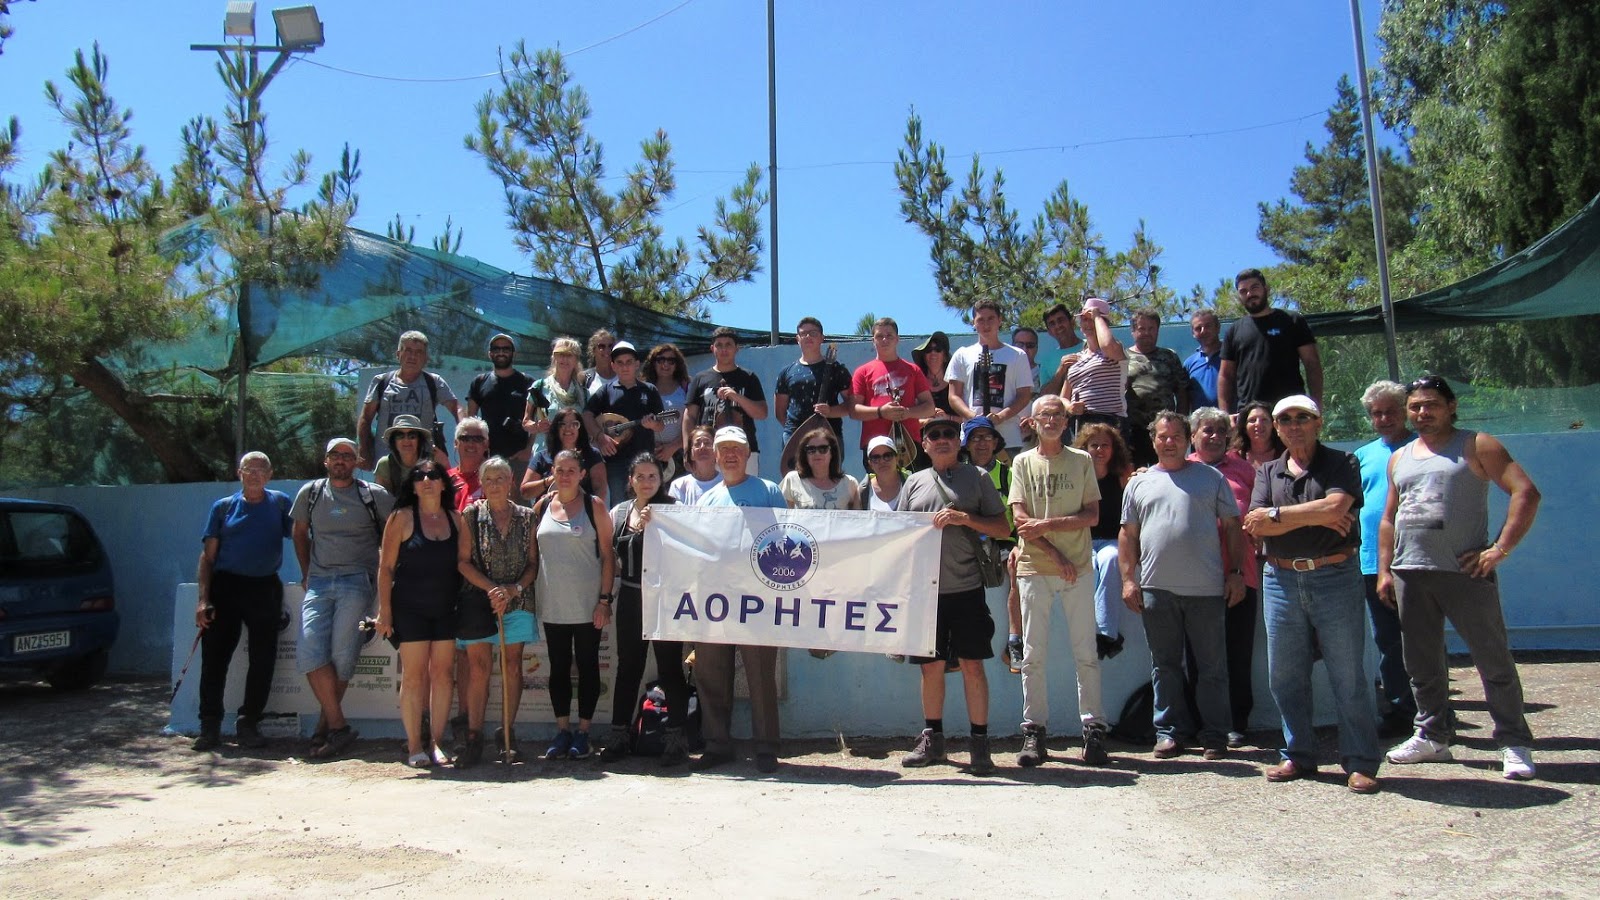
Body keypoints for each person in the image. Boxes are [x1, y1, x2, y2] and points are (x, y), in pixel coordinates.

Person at [1379, 375, 1541, 781]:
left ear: (1451, 406)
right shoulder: (1400, 457)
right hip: (1410, 572)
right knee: (1421, 663)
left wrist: (1498, 550)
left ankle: (1513, 741)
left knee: (1492, 659)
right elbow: (1388, 518)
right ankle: (1432, 736)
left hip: (1464, 573)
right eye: (1415, 406)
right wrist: (1385, 570)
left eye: (1431, 404)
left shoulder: (1476, 444)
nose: (1422, 412)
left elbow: (1525, 492)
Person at [1243, 395, 1380, 794]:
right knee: (1285, 675)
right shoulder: (1268, 471)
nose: (1293, 425)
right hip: (1281, 580)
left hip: (1334, 575)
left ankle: (1359, 761)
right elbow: (1254, 526)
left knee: (1348, 674)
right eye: (1284, 419)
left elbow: (1337, 507)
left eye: (1302, 418)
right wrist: (1314, 514)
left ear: (1318, 422)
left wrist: (1278, 516)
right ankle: (1298, 754)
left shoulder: (1342, 462)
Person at [1119, 412, 1245, 760]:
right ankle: (1169, 732)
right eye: (1162, 436)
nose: (1169, 441)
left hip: (1206, 590)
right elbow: (1127, 534)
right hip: (1157, 589)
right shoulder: (1138, 483)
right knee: (1165, 665)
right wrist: (1129, 580)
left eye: (1176, 435)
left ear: (1187, 439)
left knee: (1212, 667)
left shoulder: (1211, 478)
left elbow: (1233, 527)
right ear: (1154, 440)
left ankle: (1216, 735)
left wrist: (1235, 572)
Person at [895, 418, 1010, 775]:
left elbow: (1003, 527)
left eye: (948, 434)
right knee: (930, 670)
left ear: (957, 442)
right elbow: (898, 534)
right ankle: (934, 740)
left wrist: (965, 519)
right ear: (924, 444)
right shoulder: (913, 482)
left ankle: (980, 744)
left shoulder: (977, 478)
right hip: (925, 593)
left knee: (973, 666)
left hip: (966, 589)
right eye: (934, 435)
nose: (942, 440)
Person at [1008, 393, 1106, 767]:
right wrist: (1055, 553)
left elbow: (1092, 515)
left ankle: (1094, 730)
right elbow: (1020, 522)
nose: (1051, 419)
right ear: (1032, 422)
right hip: (1037, 569)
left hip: (1078, 570)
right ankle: (1034, 732)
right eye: (1044, 414)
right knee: (1033, 654)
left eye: (1058, 414)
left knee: (1086, 654)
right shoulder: (1022, 462)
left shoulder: (1081, 461)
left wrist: (1047, 525)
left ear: (1067, 422)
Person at [291, 438, 393, 760]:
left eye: (347, 456)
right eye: (335, 455)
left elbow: (394, 533)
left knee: (342, 656)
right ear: (325, 461)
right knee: (309, 652)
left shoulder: (373, 496)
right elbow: (299, 533)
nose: (340, 461)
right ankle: (338, 726)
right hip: (319, 583)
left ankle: (327, 729)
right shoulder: (310, 493)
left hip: (357, 581)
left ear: (357, 462)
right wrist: (306, 572)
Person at [694, 426, 787, 773]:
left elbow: (786, 540)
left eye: (737, 448)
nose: (730, 454)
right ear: (715, 457)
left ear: (748, 455)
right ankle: (717, 744)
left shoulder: (768, 491)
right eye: (724, 449)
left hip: (758, 597)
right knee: (711, 672)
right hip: (715, 599)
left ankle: (766, 746)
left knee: (761, 673)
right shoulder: (705, 500)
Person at [192, 451, 293, 751]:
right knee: (214, 659)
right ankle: (209, 727)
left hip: (264, 587)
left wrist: (311, 572)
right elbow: (207, 557)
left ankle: (249, 723)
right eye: (249, 469)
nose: (255, 474)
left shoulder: (280, 503)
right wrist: (203, 600)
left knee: (263, 658)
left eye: (261, 469)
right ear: (239, 473)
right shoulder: (223, 508)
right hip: (226, 587)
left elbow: (301, 535)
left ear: (270, 474)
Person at [600, 453, 693, 767]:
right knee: (629, 668)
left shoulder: (674, 510)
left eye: (652, 476)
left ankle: (676, 741)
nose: (646, 482)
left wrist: (660, 528)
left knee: (669, 669)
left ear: (661, 478)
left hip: (664, 599)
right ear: (630, 480)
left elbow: (687, 554)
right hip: (630, 596)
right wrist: (605, 600)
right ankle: (618, 737)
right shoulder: (619, 512)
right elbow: (610, 558)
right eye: (639, 476)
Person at [375, 459, 463, 769]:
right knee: (413, 678)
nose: (426, 480)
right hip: (409, 609)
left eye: (433, 475)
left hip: (446, 609)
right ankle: (414, 745)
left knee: (442, 676)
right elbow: (385, 568)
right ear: (412, 485)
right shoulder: (401, 517)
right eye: (420, 476)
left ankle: (437, 741)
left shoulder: (456, 519)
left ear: (443, 483)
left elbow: (464, 565)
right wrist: (385, 612)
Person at [531, 449, 616, 761]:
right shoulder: (541, 507)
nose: (564, 475)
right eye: (559, 469)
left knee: (589, 667)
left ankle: (583, 732)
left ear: (582, 474)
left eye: (571, 470)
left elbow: (609, 556)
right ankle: (563, 730)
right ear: (552, 472)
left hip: (587, 607)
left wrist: (604, 601)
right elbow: (531, 557)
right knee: (558, 669)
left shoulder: (594, 507)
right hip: (553, 606)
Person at [453, 456, 537, 768]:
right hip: (479, 600)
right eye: (489, 480)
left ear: (511, 481)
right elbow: (463, 562)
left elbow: (532, 564)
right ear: (482, 484)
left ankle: (506, 735)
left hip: (518, 600)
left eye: (501, 478)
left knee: (513, 666)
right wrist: (492, 589)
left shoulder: (528, 517)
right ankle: (474, 737)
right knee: (478, 668)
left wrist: (513, 589)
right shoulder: (471, 514)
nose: (495, 484)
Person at [1187, 408, 1261, 748]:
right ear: (1193, 435)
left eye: (1220, 430)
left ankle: (1235, 720)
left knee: (1235, 651)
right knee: (1199, 654)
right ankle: (1202, 722)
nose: (1215, 436)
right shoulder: (1179, 468)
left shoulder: (1245, 471)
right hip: (1192, 579)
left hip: (1239, 574)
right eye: (1207, 430)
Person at [1353, 380, 1419, 738]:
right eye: (1376, 413)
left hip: (1418, 559)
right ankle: (1398, 710)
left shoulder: (1423, 448)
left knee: (1422, 638)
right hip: (1371, 563)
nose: (1383, 419)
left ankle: (1434, 713)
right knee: (1387, 640)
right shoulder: (1364, 456)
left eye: (1390, 411)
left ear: (1405, 410)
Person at [1217, 269, 1323, 414]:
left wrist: (1316, 404)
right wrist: (1225, 415)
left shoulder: (1292, 320)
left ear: (1266, 289)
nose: (1250, 294)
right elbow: (1225, 375)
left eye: (1254, 287)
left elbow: (1312, 363)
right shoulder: (1234, 331)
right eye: (1243, 291)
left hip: (1290, 411)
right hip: (1250, 415)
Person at [963, 416, 1022, 674]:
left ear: (996, 442)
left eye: (987, 437)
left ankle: (1015, 643)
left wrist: (1021, 544)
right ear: (966, 443)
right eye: (975, 437)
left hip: (1003, 542)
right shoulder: (957, 473)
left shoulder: (1009, 475)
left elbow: (1020, 515)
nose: (982, 443)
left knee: (1020, 566)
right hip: (966, 545)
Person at [1072, 422, 1134, 662]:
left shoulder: (1122, 475)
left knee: (1110, 561)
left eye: (1105, 445)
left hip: (1111, 540)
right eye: (1093, 445)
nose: (1099, 450)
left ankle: (1105, 633)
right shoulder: (1076, 476)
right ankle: (1096, 633)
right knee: (1089, 568)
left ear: (1114, 448)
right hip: (1083, 540)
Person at [358, 330, 459, 470]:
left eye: (419, 352)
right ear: (398, 354)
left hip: (423, 463)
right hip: (387, 462)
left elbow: (457, 408)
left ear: (426, 358)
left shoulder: (434, 382)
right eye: (408, 350)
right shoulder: (382, 382)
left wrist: (466, 433)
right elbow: (365, 418)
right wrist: (364, 450)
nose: (413, 356)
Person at [583, 340, 665, 505]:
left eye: (629, 362)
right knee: (620, 504)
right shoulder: (606, 390)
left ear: (637, 364)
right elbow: (586, 414)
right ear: (613, 366)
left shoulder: (649, 390)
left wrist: (653, 425)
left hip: (645, 459)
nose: (625, 366)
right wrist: (600, 437)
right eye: (620, 363)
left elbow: (661, 423)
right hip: (616, 461)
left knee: (648, 502)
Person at [947, 300, 1033, 455]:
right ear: (973, 323)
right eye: (980, 320)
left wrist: (1000, 417)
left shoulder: (1017, 355)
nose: (986, 324)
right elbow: (954, 396)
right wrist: (974, 418)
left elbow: (1024, 395)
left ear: (1000, 321)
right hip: (972, 437)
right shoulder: (962, 355)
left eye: (991, 319)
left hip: (1008, 438)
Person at [851, 317, 936, 470]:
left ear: (897, 339)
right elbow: (853, 411)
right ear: (873, 340)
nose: (884, 339)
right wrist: (881, 412)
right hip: (875, 445)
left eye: (889, 335)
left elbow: (929, 407)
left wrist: (907, 413)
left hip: (909, 446)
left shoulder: (913, 370)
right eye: (879, 336)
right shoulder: (862, 372)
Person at [684, 327, 768, 474]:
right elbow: (689, 416)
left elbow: (762, 413)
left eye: (728, 344)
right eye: (719, 345)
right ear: (712, 348)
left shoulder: (749, 377)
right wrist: (688, 448)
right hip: (709, 451)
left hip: (744, 449)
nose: (724, 349)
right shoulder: (700, 378)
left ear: (737, 348)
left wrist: (736, 397)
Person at [1123, 308, 1187, 467]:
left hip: (1166, 431)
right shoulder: (1122, 357)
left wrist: (1182, 424)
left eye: (1151, 328)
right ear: (1133, 331)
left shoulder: (1170, 356)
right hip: (1134, 431)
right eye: (1141, 328)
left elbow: (1182, 392)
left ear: (1158, 330)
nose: (1146, 333)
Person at [773, 317, 852, 447]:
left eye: (813, 333)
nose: (808, 336)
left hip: (829, 436)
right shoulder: (786, 372)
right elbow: (780, 412)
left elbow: (851, 405)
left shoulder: (837, 369)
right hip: (794, 437)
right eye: (804, 333)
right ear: (798, 339)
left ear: (822, 338)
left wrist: (830, 411)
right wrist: (795, 430)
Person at [466, 334, 534, 481]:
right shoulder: (479, 382)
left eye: (506, 349)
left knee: (520, 500)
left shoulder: (527, 382)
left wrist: (528, 449)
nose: (501, 352)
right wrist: (476, 452)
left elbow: (538, 419)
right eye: (496, 349)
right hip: (487, 456)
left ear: (513, 353)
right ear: (490, 353)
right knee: (486, 498)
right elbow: (469, 421)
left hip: (518, 457)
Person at [1064, 298, 1128, 443]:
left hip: (1109, 420)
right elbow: (1063, 397)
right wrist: (1070, 407)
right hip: (1080, 423)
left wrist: (1097, 316)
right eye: (1084, 319)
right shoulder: (1077, 358)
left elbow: (1107, 345)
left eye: (1091, 319)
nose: (1087, 324)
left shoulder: (1115, 349)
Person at [524, 407, 606, 503]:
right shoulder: (541, 457)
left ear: (581, 429)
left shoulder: (593, 454)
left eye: (575, 424)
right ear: (556, 429)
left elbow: (600, 489)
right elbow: (525, 492)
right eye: (563, 424)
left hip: (583, 513)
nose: (568, 428)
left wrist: (593, 511)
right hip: (548, 513)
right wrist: (551, 480)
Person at [522, 336, 589, 450]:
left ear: (576, 360)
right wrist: (537, 427)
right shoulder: (539, 387)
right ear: (553, 358)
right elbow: (525, 422)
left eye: (569, 355)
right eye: (560, 354)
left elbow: (588, 425)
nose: (564, 359)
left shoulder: (583, 392)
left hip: (573, 455)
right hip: (545, 452)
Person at [780, 424, 862, 511]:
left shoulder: (849, 483)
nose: (817, 453)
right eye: (811, 450)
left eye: (823, 449)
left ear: (832, 453)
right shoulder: (792, 480)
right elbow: (783, 516)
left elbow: (857, 520)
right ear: (805, 455)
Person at [644, 342, 692, 476]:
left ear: (677, 365)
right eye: (661, 360)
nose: (665, 364)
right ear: (653, 362)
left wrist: (673, 447)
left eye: (671, 361)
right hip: (651, 453)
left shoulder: (687, 387)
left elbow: (695, 421)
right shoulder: (643, 388)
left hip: (681, 453)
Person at [373, 414, 432, 496]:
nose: (406, 440)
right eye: (400, 435)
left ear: (419, 440)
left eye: (412, 436)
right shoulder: (386, 464)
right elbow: (381, 499)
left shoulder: (432, 461)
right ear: (394, 441)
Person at [668, 425, 724, 505]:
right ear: (691, 454)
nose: (702, 447)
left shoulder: (728, 482)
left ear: (716, 450)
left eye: (707, 443)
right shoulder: (679, 486)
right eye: (697, 444)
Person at [1037, 302, 1084, 398]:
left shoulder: (1091, 346)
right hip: (1063, 412)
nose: (1058, 326)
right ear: (1049, 331)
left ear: (1072, 322)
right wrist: (1061, 370)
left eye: (1061, 320)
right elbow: (1045, 397)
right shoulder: (1047, 360)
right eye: (1052, 324)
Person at [911, 330, 956, 421]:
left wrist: (947, 418)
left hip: (953, 433)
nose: (933, 353)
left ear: (945, 357)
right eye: (928, 350)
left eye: (938, 349)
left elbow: (967, 419)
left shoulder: (955, 383)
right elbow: (908, 415)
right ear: (924, 357)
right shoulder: (916, 384)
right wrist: (927, 417)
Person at [1184, 309, 1223, 410]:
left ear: (1218, 328)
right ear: (1193, 333)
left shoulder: (1232, 356)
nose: (1203, 331)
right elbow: (1184, 399)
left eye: (1208, 326)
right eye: (1198, 328)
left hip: (1230, 421)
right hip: (1200, 423)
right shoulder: (1189, 364)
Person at [448, 416, 490, 510]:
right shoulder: (445, 478)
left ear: (486, 444)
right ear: (456, 443)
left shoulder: (495, 477)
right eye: (465, 439)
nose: (471, 444)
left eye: (477, 439)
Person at [1232, 400, 1285, 470]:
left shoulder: (1285, 456)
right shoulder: (1234, 457)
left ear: (1273, 425)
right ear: (1244, 427)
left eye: (1264, 420)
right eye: (1252, 420)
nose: (1258, 424)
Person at [862, 435, 905, 510]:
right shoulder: (863, 491)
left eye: (887, 456)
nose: (882, 461)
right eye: (876, 457)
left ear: (897, 458)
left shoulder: (913, 485)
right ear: (870, 464)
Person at [582, 328, 618, 395]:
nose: (607, 350)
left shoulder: (623, 375)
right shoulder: (585, 378)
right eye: (601, 346)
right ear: (593, 350)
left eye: (610, 346)